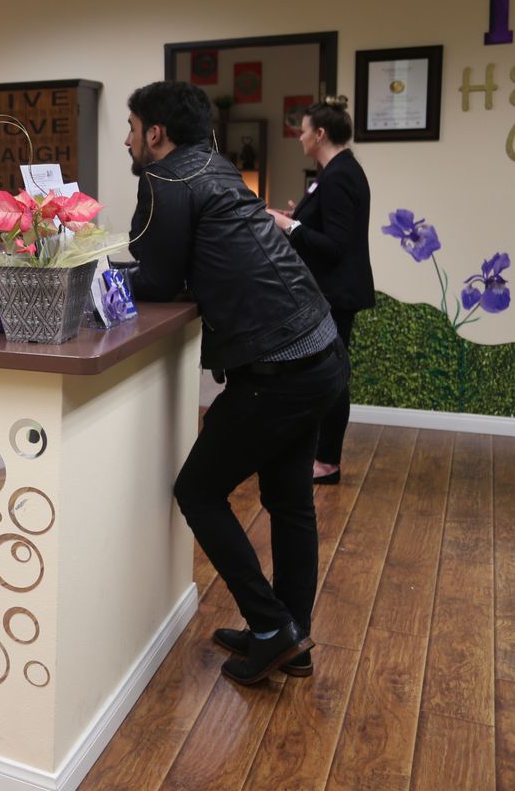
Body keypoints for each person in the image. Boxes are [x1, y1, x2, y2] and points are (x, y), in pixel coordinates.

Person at [124, 81, 348, 686]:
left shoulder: (166, 179)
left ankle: (273, 630)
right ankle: (289, 638)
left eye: (131, 126)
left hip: (279, 370)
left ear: (155, 134)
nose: (127, 139)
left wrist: (107, 273)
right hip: (321, 349)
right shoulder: (219, 168)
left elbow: (160, 277)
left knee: (198, 492)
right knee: (290, 504)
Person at [266, 97, 374, 485]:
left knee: (332, 378)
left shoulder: (340, 175)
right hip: (329, 292)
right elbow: (327, 227)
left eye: (304, 131)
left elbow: (336, 246)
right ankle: (320, 456)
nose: (300, 138)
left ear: (321, 134)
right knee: (325, 374)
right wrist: (299, 217)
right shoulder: (336, 171)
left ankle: (327, 462)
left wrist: (287, 226)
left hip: (337, 294)